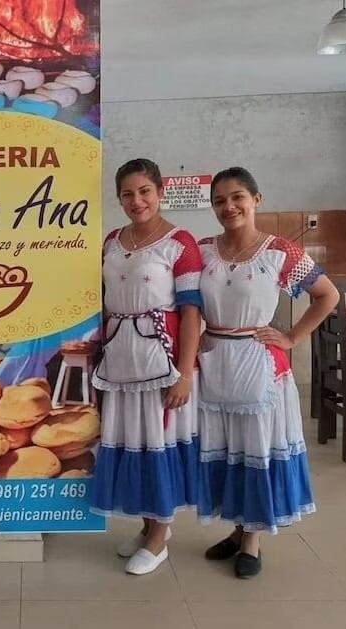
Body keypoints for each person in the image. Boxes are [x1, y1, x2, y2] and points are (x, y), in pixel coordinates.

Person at [197, 167, 338, 578]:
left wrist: (292, 336)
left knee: (256, 448)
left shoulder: (280, 252)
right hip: (214, 360)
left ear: (256, 199)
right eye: (220, 200)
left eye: (237, 197)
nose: (229, 206)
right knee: (227, 449)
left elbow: (326, 295)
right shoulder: (204, 251)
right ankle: (237, 528)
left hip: (258, 364)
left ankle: (253, 540)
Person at [91, 158, 203, 575]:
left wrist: (185, 373)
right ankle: (147, 527)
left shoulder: (180, 243)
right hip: (121, 360)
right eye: (127, 194)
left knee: (157, 442)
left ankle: (159, 538)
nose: (136, 201)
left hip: (162, 361)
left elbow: (190, 312)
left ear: (159, 192)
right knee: (132, 443)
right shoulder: (111, 241)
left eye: (144, 191)